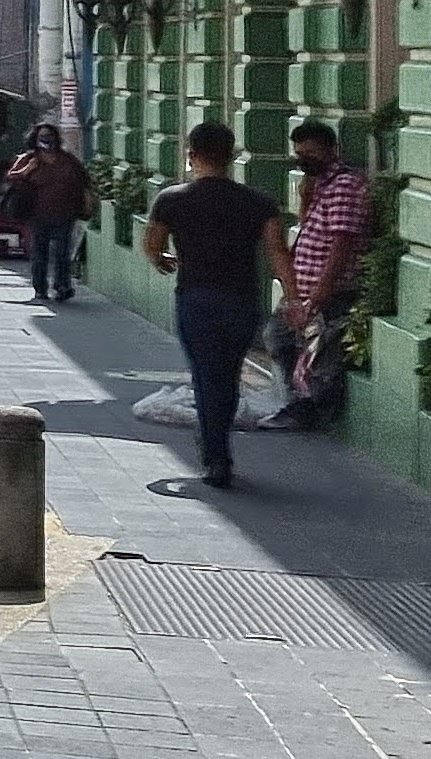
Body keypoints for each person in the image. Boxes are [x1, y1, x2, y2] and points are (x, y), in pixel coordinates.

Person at [144, 120, 291, 489]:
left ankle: (216, 455)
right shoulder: (260, 202)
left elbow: (152, 243)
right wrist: (295, 297)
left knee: (206, 375)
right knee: (226, 375)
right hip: (242, 301)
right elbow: (277, 252)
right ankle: (217, 445)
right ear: (232, 156)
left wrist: (163, 259)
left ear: (191, 155)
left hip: (196, 300)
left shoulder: (171, 199)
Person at [281, 118, 374, 427]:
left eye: (310, 153)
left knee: (317, 349)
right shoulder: (320, 184)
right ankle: (300, 402)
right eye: (299, 153)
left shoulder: (344, 186)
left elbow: (342, 242)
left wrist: (321, 293)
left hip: (332, 291)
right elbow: (309, 228)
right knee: (285, 338)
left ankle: (310, 407)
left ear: (331, 150)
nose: (303, 160)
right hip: (307, 290)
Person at [2, 123, 94, 303]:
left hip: (65, 213)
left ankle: (62, 286)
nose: (46, 140)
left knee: (62, 253)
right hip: (37, 214)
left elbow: (84, 180)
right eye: (42, 136)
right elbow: (10, 176)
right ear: (35, 139)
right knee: (39, 253)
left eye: (49, 136)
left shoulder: (67, 159)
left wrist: (87, 201)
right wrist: (27, 170)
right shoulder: (30, 158)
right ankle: (40, 288)